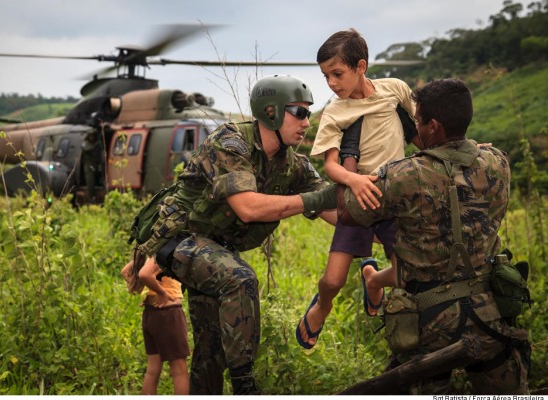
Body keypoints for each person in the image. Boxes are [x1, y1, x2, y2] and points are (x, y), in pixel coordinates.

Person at [129, 74, 337, 395]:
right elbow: (248, 208)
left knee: (210, 352)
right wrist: (313, 200)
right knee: (239, 279)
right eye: (300, 112)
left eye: (308, 113)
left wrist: (375, 209)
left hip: (214, 249)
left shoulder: (291, 164)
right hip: (179, 240)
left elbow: (332, 206)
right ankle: (244, 384)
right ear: (272, 112)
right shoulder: (230, 143)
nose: (307, 122)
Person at [338, 78, 531, 394]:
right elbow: (463, 156)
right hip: (488, 312)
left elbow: (349, 213)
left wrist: (349, 159)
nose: (416, 127)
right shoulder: (498, 162)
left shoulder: (404, 175)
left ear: (434, 127)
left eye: (418, 121)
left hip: (428, 321)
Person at [296, 28, 416, 349]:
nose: (332, 84)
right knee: (333, 280)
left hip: (394, 201)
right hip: (357, 200)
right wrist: (355, 180)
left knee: (406, 273)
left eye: (337, 74)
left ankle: (373, 279)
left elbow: (420, 131)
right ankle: (322, 306)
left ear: (360, 67)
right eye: (326, 76)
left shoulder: (395, 90)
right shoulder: (335, 111)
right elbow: (331, 167)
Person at [121, 257, 190, 395]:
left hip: (151, 314)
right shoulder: (165, 252)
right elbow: (145, 274)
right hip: (168, 314)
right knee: (179, 371)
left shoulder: (149, 252)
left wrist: (146, 290)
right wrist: (162, 293)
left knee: (152, 371)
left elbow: (125, 271)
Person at [80, 130, 103, 203]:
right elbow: (88, 148)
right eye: (90, 136)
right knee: (90, 182)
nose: (92, 137)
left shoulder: (97, 145)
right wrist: (97, 145)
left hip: (96, 165)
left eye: (93, 136)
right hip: (88, 166)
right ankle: (91, 198)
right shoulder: (85, 144)